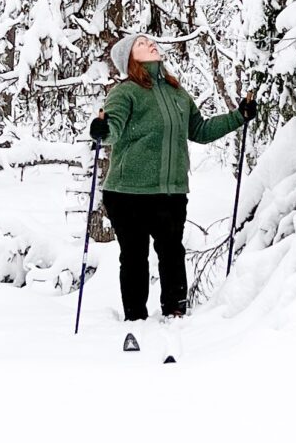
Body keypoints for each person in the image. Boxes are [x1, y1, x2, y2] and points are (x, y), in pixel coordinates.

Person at [88, 32, 256, 322]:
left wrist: (239, 116)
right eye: (141, 44)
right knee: (134, 257)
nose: (150, 44)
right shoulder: (125, 92)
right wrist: (102, 131)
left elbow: (200, 130)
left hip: (170, 192)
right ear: (129, 59)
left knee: (172, 253)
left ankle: (176, 312)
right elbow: (112, 127)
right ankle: (135, 317)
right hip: (128, 193)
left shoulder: (178, 93)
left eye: (149, 41)